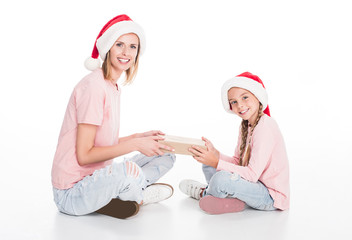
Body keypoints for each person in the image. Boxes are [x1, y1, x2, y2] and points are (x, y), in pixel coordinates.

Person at [52, 14, 176, 219]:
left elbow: (102, 144)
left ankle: (122, 193)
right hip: (71, 192)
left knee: (165, 153)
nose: (126, 52)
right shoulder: (94, 86)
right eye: (119, 44)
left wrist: (139, 138)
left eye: (133, 47)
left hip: (96, 179)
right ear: (109, 47)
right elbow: (85, 156)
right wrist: (136, 145)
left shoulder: (112, 86)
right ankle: (138, 195)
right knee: (129, 171)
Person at [179, 72, 290, 214]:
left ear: (258, 97)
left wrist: (217, 163)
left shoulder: (265, 126)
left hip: (269, 196)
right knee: (208, 163)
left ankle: (205, 193)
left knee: (221, 178)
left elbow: (252, 175)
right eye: (234, 102)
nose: (240, 105)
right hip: (252, 185)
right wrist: (215, 154)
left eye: (245, 97)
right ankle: (231, 200)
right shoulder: (246, 125)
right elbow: (237, 162)